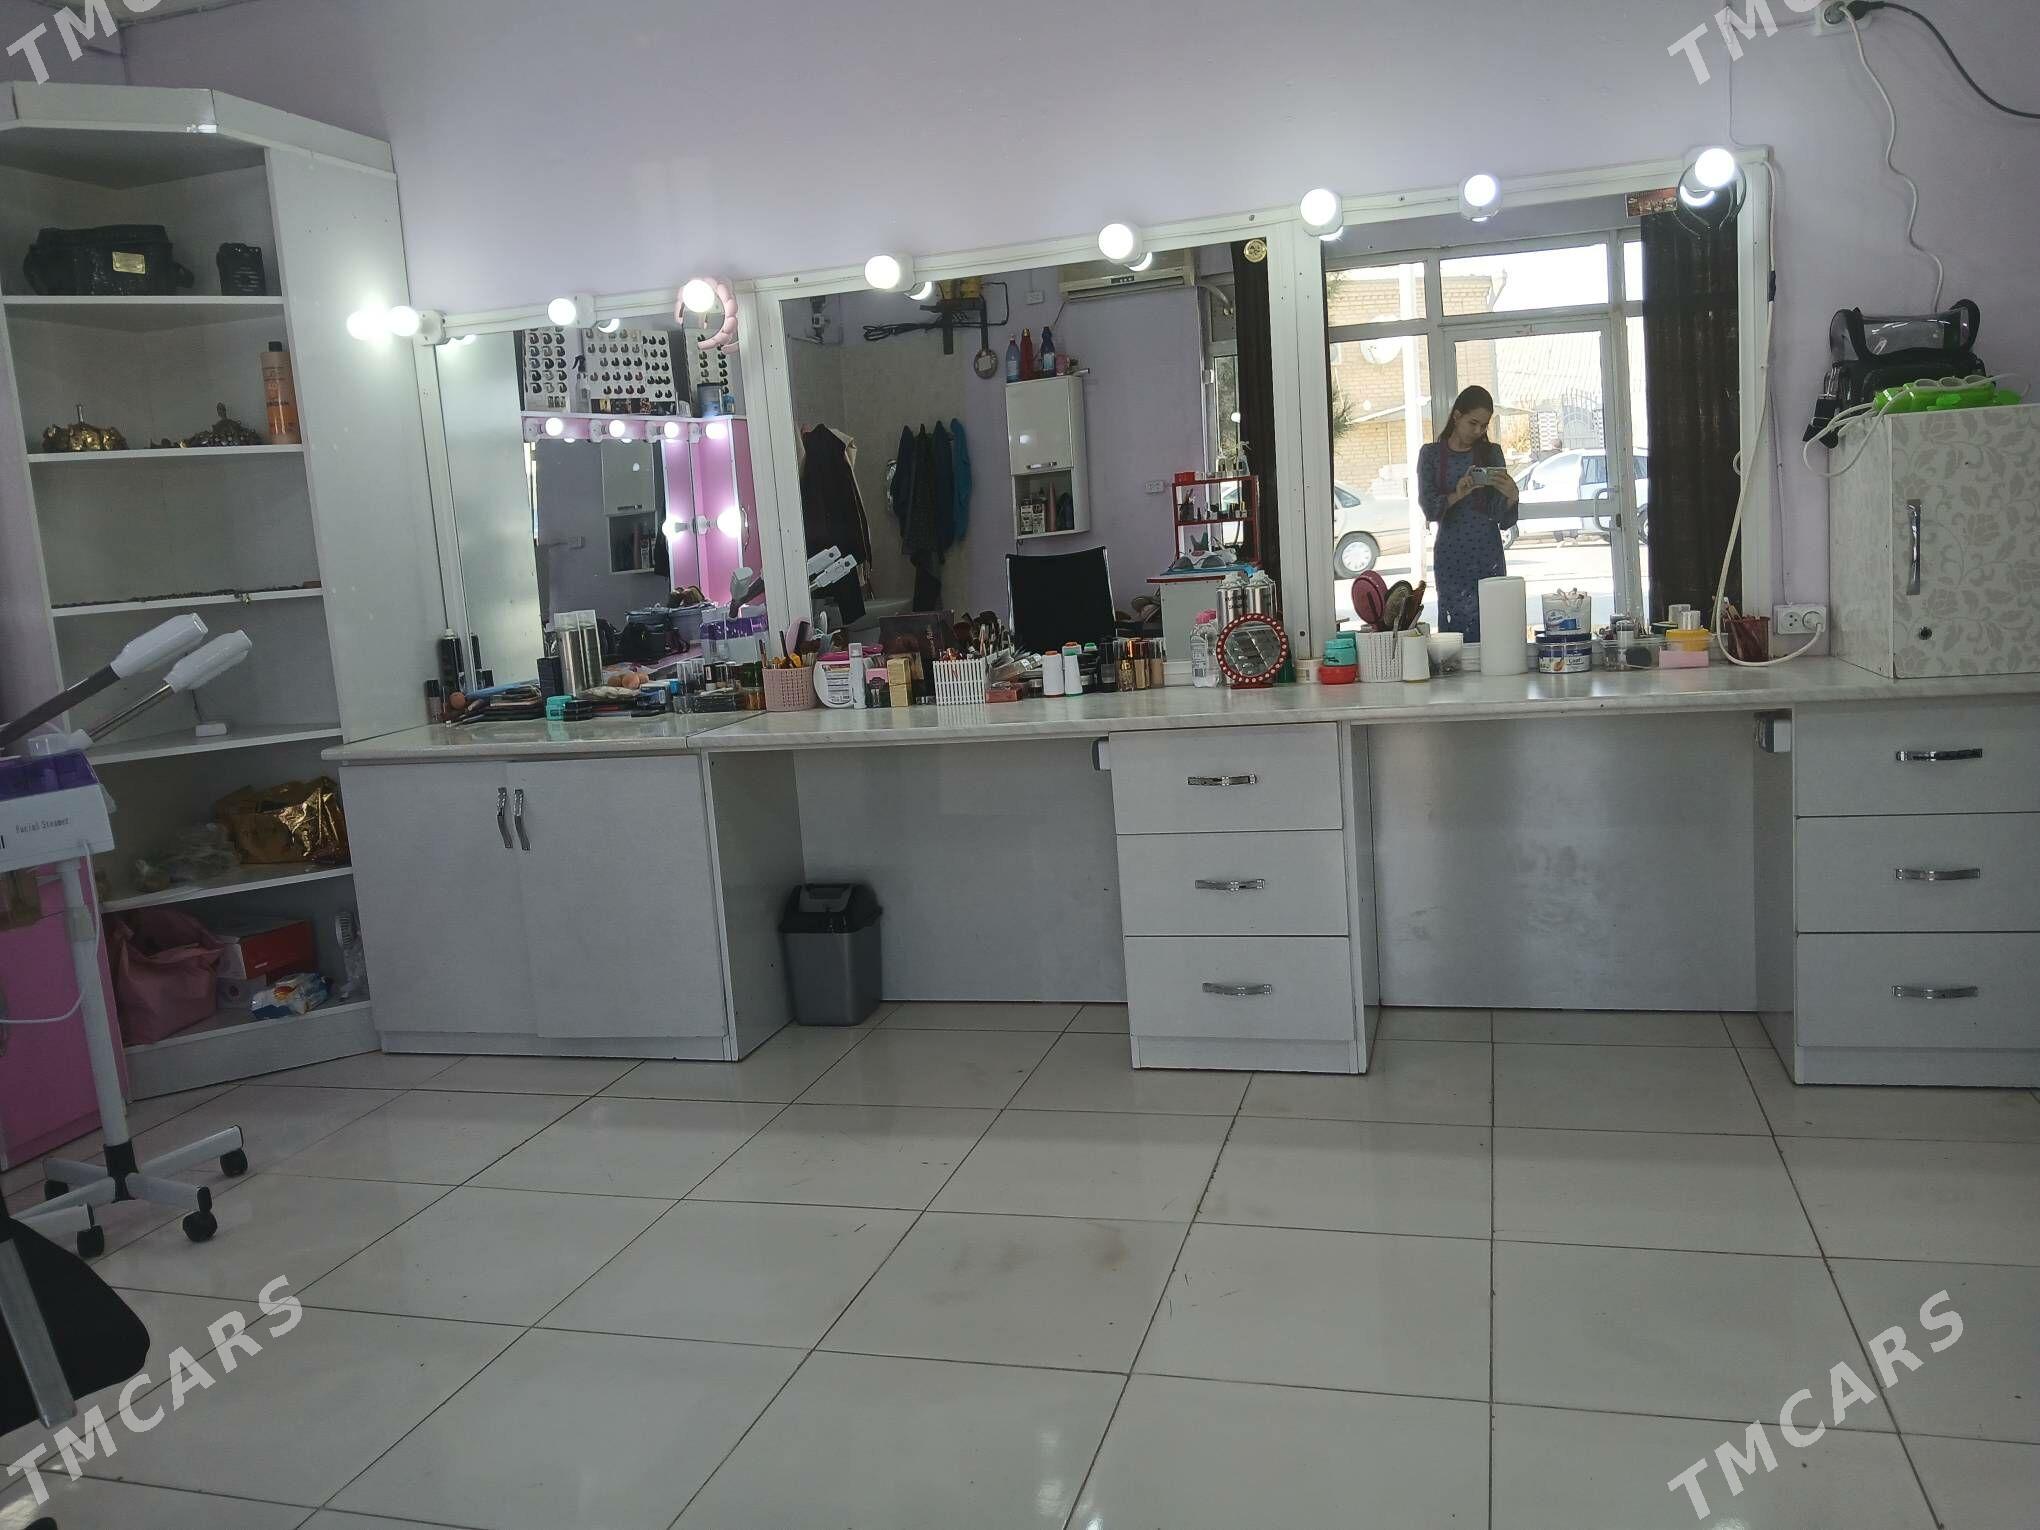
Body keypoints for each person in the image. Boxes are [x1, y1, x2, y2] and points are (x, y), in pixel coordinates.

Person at [1417, 385, 1519, 641]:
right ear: (1457, 416)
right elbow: (1430, 509)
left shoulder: (1490, 453)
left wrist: (1511, 496)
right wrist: (1457, 494)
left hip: (1487, 553)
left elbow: (1501, 517)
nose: (1478, 431)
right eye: (1473, 423)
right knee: (1455, 633)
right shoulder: (1431, 455)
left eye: (1484, 426)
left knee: (1495, 628)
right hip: (1451, 555)